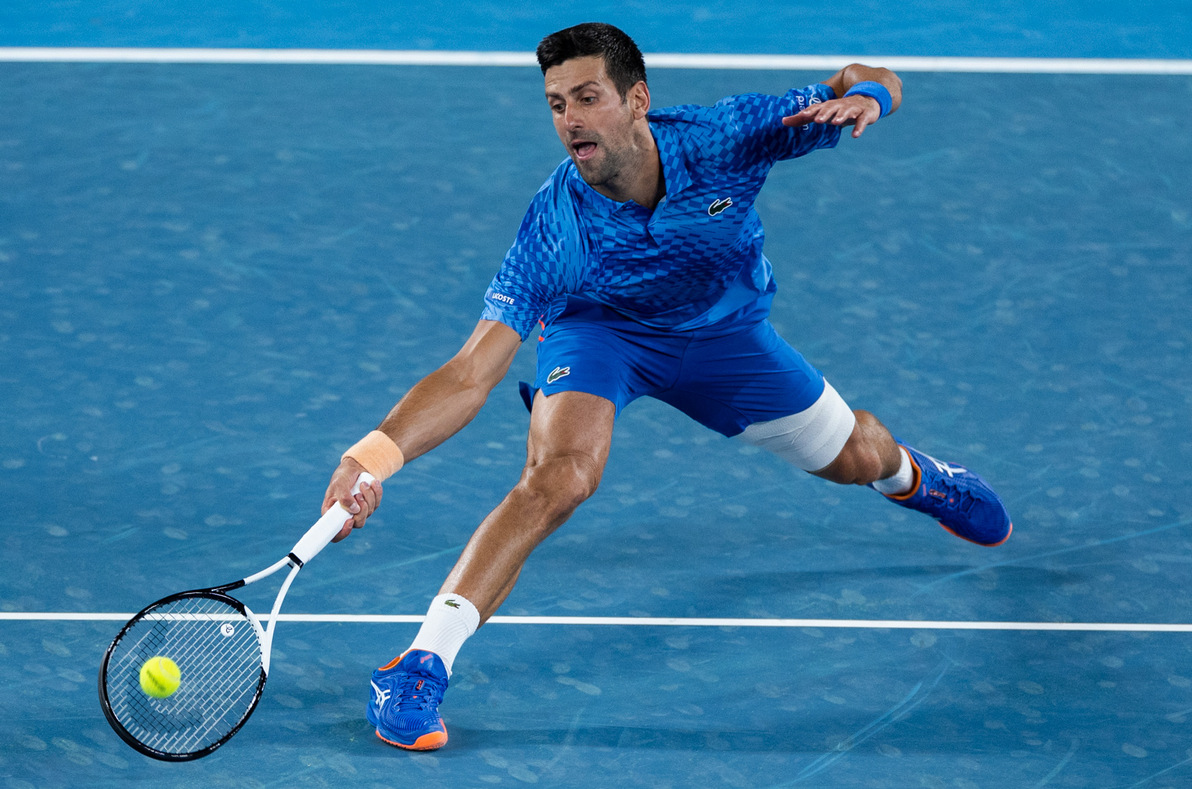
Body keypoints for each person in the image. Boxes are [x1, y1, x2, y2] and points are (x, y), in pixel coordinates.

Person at [321, 22, 1012, 751]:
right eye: (556, 104)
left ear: (637, 100)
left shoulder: (726, 137)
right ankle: (419, 665)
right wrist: (371, 457)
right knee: (559, 477)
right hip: (601, 334)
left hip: (724, 333)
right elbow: (470, 372)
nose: (571, 120)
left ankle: (918, 478)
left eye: (588, 97)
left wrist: (869, 95)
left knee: (856, 458)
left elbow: (864, 77)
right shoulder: (556, 228)